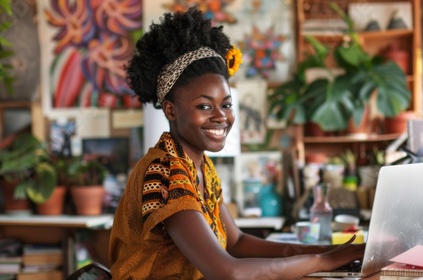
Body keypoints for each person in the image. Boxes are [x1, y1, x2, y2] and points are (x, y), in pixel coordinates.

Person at [109, 7, 364, 280]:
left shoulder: (200, 166)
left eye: (226, 104)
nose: (221, 116)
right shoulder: (165, 171)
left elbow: (237, 242)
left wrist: (331, 252)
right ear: (171, 111)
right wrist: (322, 261)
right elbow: (227, 272)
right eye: (205, 106)